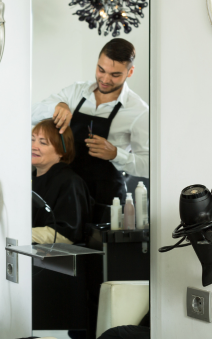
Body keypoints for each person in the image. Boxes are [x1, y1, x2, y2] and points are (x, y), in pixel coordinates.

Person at [32, 38, 148, 222]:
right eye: (101, 70)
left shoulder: (139, 111)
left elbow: (149, 166)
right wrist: (58, 106)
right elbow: (30, 114)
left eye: (115, 74)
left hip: (106, 201)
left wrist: (116, 154)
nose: (105, 79)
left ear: (130, 72)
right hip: (65, 195)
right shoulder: (75, 92)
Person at [31, 119, 93, 244]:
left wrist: (21, 233)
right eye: (32, 140)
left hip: (53, 259)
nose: (33, 146)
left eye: (43, 143)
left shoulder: (70, 183)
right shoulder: (29, 179)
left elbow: (65, 234)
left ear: (60, 151)